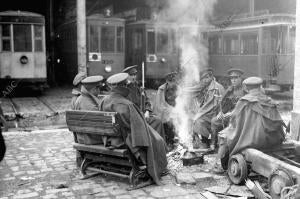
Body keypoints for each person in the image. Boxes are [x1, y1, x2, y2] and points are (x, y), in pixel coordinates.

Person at [100, 73, 168, 185]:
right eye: (126, 85)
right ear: (123, 87)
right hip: (123, 140)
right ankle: (156, 168)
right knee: (158, 140)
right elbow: (139, 129)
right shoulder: (126, 104)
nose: (128, 87)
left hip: (109, 138)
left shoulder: (104, 100)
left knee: (154, 132)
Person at [212, 77, 285, 173]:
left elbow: (234, 120)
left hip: (254, 139)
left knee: (224, 135)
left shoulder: (244, 101)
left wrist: (226, 116)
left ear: (246, 88)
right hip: (273, 138)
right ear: (260, 87)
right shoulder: (268, 100)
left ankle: (219, 166)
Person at [122, 65, 166, 141]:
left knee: (158, 119)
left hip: (143, 115)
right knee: (157, 122)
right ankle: (156, 144)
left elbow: (147, 101)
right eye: (131, 75)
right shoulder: (124, 89)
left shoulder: (138, 87)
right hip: (133, 119)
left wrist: (147, 111)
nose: (133, 77)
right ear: (125, 77)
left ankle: (158, 144)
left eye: (134, 75)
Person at [210, 68, 247, 150]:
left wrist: (231, 114)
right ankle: (213, 144)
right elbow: (223, 103)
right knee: (214, 121)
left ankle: (230, 146)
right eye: (231, 78)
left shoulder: (245, 90)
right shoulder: (229, 90)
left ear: (240, 78)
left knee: (231, 124)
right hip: (229, 115)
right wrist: (221, 113)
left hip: (240, 117)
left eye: (236, 78)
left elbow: (244, 107)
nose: (233, 80)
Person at [192, 68, 225, 149]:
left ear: (210, 77)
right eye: (203, 78)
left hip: (216, 114)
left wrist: (221, 113)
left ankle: (207, 141)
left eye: (206, 78)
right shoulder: (207, 86)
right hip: (209, 114)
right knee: (195, 119)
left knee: (198, 120)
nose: (204, 81)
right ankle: (204, 141)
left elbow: (223, 104)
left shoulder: (218, 88)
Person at [153, 71, 178, 147]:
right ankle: (168, 140)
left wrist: (178, 110)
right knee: (168, 120)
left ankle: (175, 138)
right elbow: (160, 104)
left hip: (175, 109)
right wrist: (170, 110)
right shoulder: (161, 89)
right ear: (167, 81)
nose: (172, 84)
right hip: (164, 111)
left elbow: (181, 101)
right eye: (170, 81)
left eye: (174, 81)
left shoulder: (178, 89)